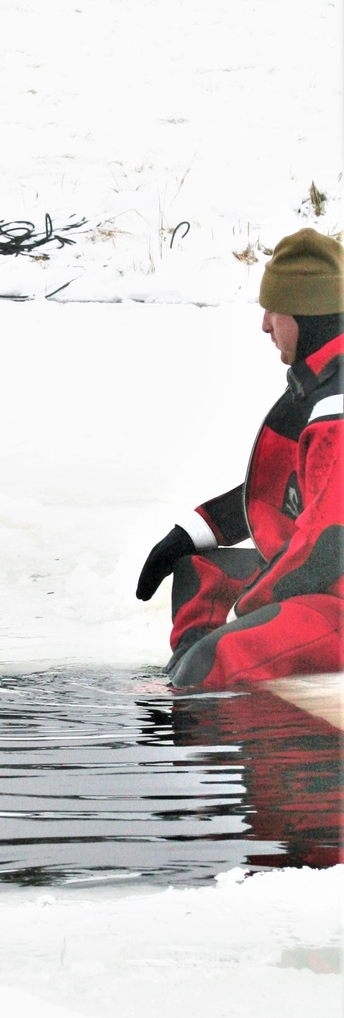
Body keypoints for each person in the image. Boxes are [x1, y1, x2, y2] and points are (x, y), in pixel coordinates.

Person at [136, 228, 343, 689]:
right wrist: (190, 535)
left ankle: (196, 698)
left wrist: (246, 608)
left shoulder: (337, 408)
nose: (264, 325)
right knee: (200, 571)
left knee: (222, 652)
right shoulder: (318, 386)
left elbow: (329, 542)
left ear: (306, 315)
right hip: (321, 584)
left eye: (274, 311)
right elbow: (279, 492)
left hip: (336, 596)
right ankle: (189, 683)